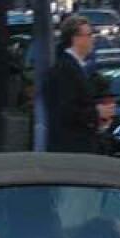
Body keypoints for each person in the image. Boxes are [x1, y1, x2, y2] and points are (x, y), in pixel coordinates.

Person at [43, 15, 99, 153]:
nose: (93, 39)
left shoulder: (75, 66)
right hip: (71, 148)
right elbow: (66, 111)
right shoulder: (65, 69)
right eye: (89, 35)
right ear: (76, 38)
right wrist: (96, 112)